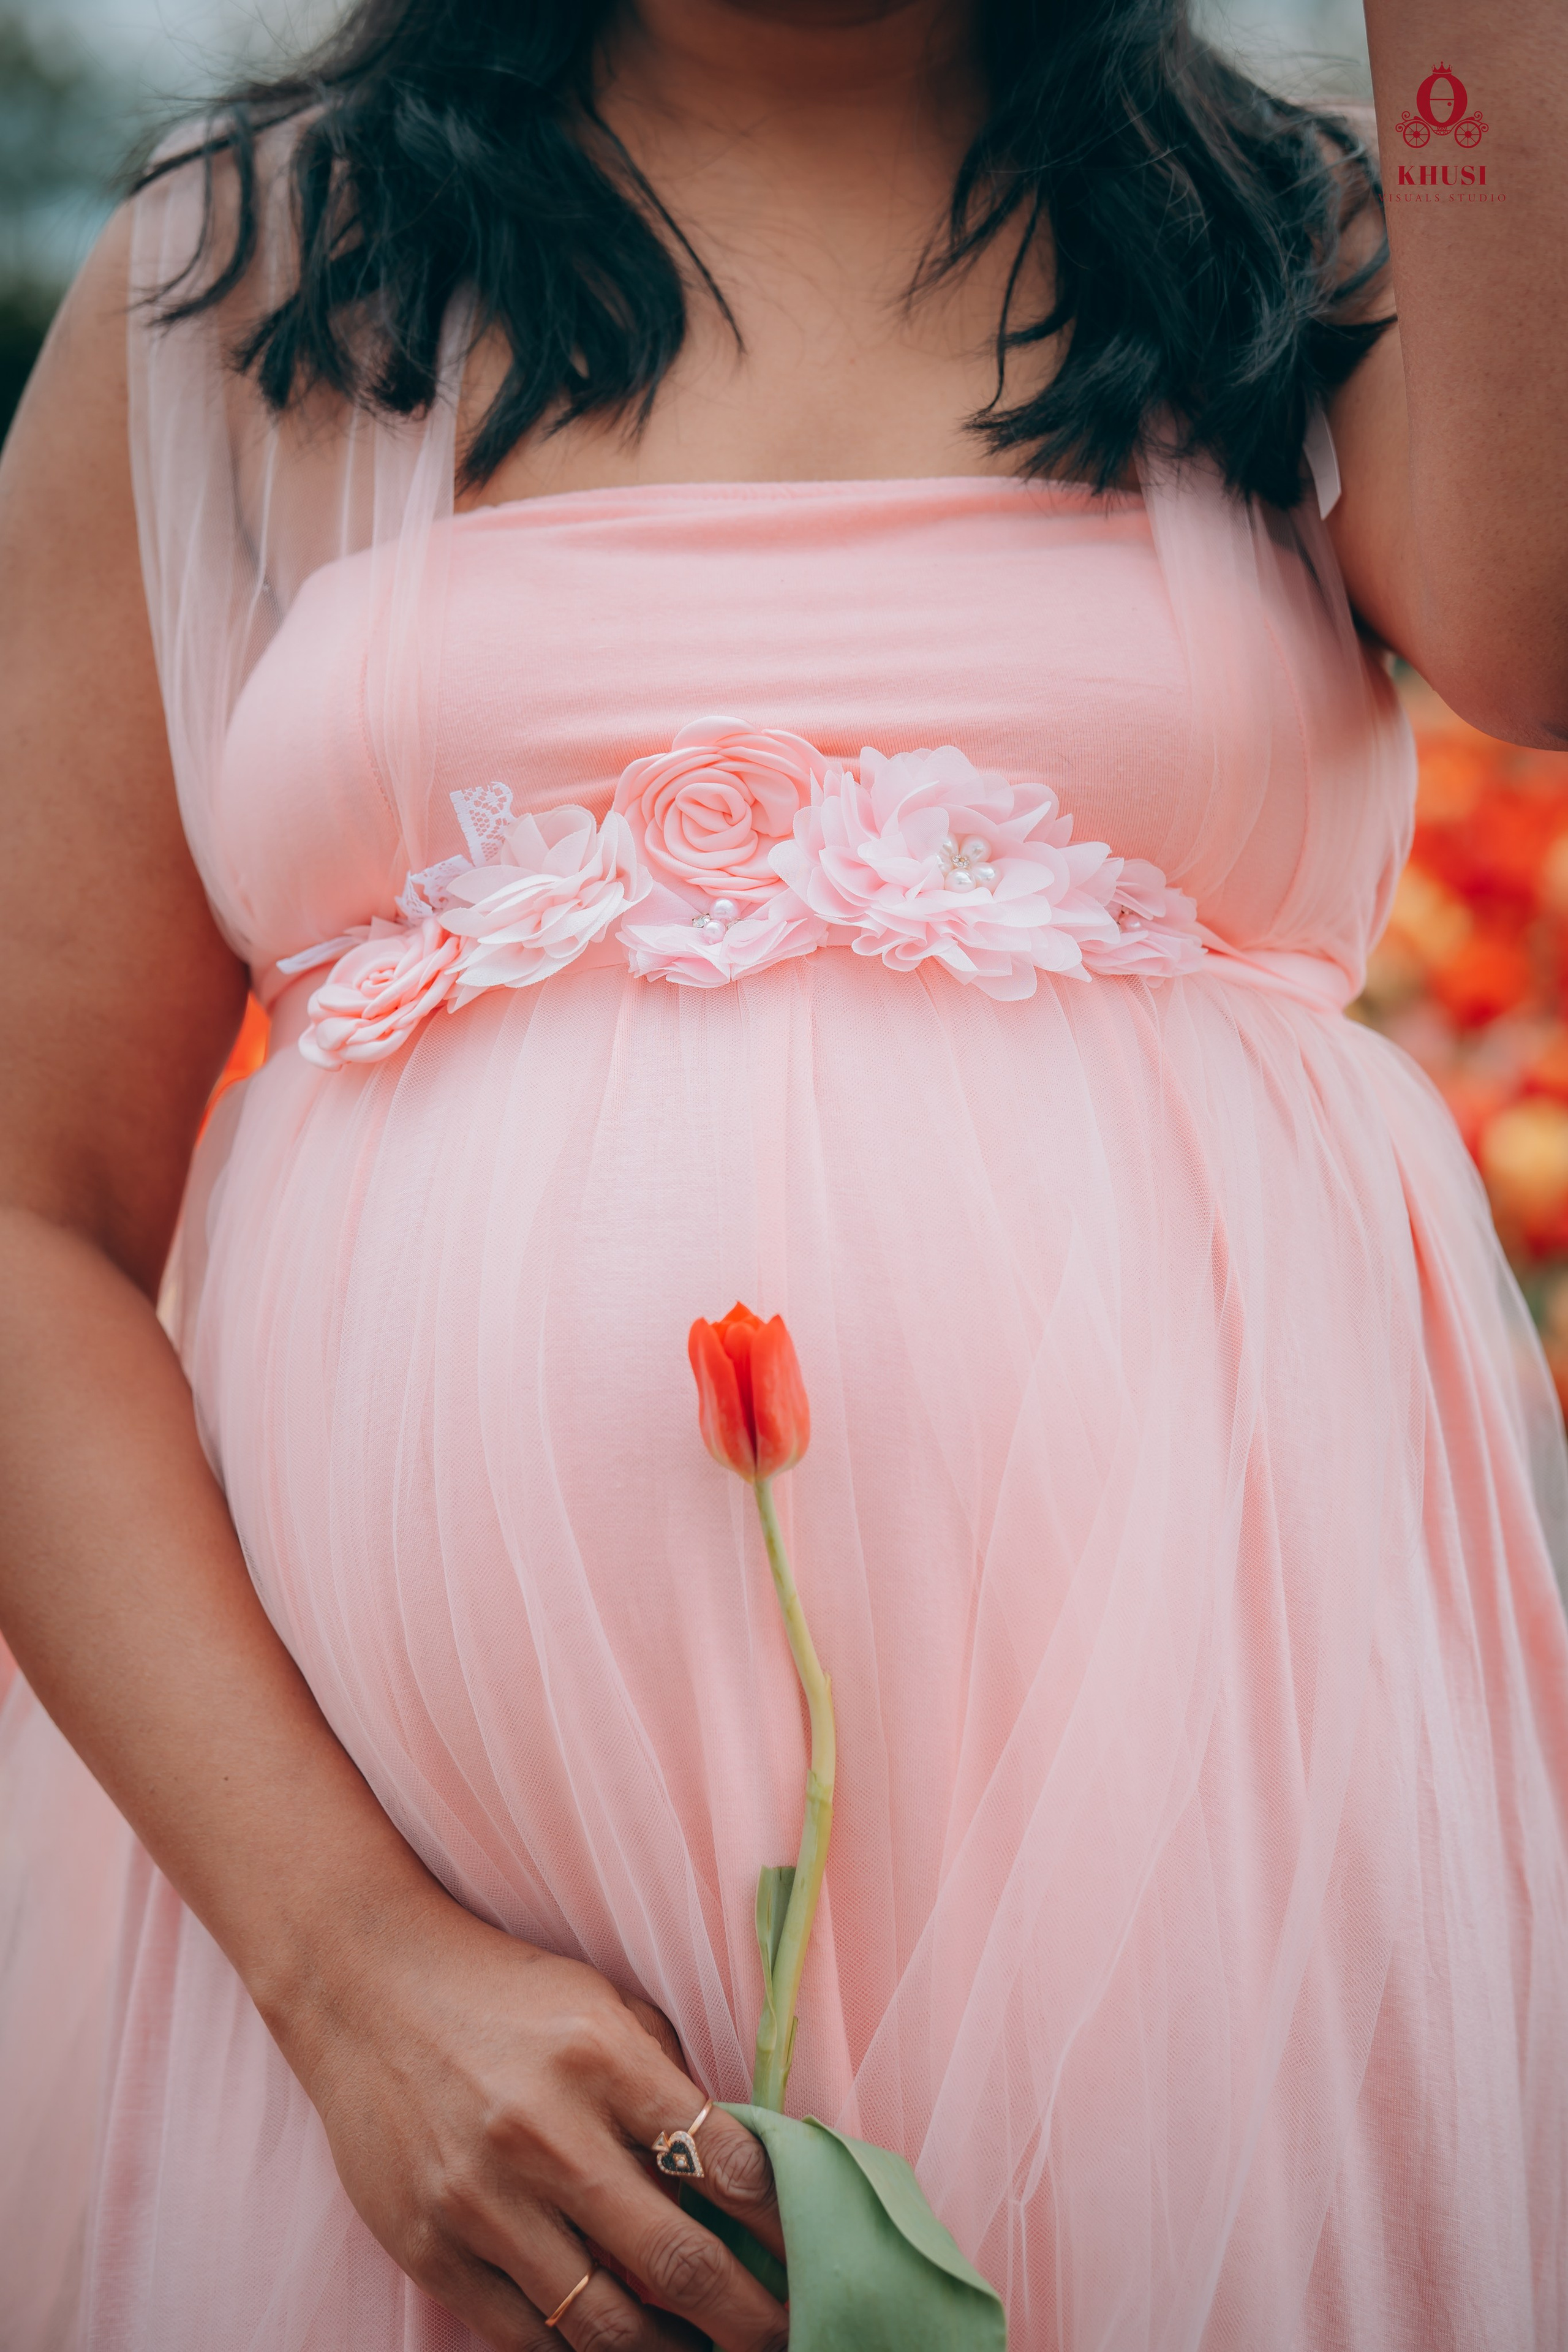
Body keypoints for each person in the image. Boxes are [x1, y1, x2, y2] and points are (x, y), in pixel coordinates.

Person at [2, 1, 1566, 2345]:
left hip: (1206, 1923)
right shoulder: (243, 285)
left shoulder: (1305, 251)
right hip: (384, 1963)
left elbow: (1542, 622)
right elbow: (21, 1213)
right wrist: (343, 1968)